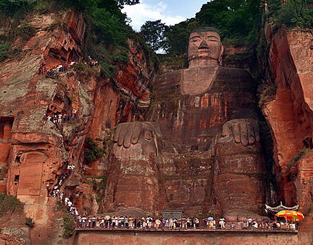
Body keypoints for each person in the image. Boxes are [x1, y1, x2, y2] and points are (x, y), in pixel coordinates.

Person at [103, 28, 267, 217]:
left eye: (211, 40)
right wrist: (140, 126)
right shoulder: (165, 80)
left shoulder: (237, 76)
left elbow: (246, 109)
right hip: (168, 148)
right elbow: (154, 119)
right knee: (133, 136)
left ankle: (240, 207)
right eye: (195, 41)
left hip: (218, 143)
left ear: (221, 50)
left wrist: (244, 120)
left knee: (241, 135)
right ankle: (133, 207)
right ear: (187, 49)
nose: (203, 45)